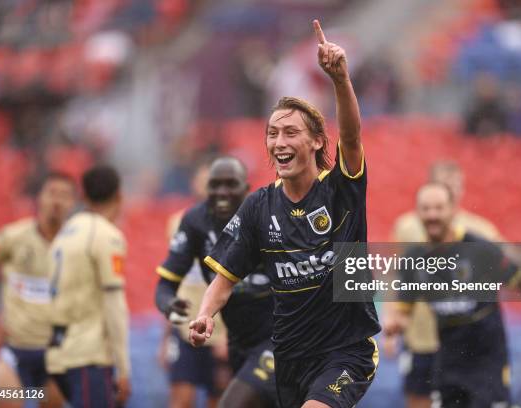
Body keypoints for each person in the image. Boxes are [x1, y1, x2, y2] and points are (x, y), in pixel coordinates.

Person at [188, 20, 380, 408]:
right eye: (273, 133)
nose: (279, 142)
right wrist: (206, 314)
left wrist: (340, 79)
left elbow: (353, 138)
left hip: (346, 353)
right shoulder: (259, 206)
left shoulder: (340, 190)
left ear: (316, 141)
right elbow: (225, 278)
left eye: (291, 132)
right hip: (289, 358)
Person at [384, 182, 521, 407]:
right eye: (426, 208)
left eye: (438, 208)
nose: (432, 215)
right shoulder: (415, 259)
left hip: (487, 363)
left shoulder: (480, 249)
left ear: (452, 210)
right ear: (417, 212)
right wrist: (394, 326)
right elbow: (404, 312)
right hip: (446, 363)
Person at [156, 157, 276, 408]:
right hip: (229, 336)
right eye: (215, 184)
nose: (222, 192)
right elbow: (165, 284)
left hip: (274, 336)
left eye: (231, 184)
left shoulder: (270, 217)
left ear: (246, 188)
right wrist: (169, 305)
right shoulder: (194, 221)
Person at [390, 161, 501, 408]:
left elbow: (505, 277)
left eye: (454, 185)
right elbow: (397, 278)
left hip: (467, 343)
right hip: (421, 336)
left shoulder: (482, 232)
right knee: (419, 398)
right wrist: (393, 322)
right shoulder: (407, 227)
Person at [0, 172, 76, 408]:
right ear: (39, 198)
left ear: (73, 203)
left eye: (64, 195)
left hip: (55, 356)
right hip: (15, 353)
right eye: (51, 193)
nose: (57, 201)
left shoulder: (76, 245)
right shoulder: (13, 237)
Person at [46, 165, 130, 407]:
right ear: (119, 197)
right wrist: (124, 369)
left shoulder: (65, 232)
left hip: (58, 354)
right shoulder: (106, 235)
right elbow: (115, 306)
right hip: (87, 355)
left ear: (83, 196)